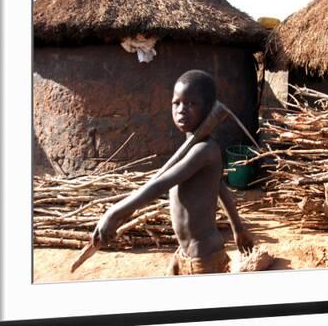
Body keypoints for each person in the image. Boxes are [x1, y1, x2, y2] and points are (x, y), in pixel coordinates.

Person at [92, 69, 254, 275]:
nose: (181, 109)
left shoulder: (204, 150)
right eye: (176, 103)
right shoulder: (190, 146)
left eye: (191, 103)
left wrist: (114, 212)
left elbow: (161, 183)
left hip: (203, 258)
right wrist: (238, 229)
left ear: (209, 108)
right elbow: (220, 188)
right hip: (183, 253)